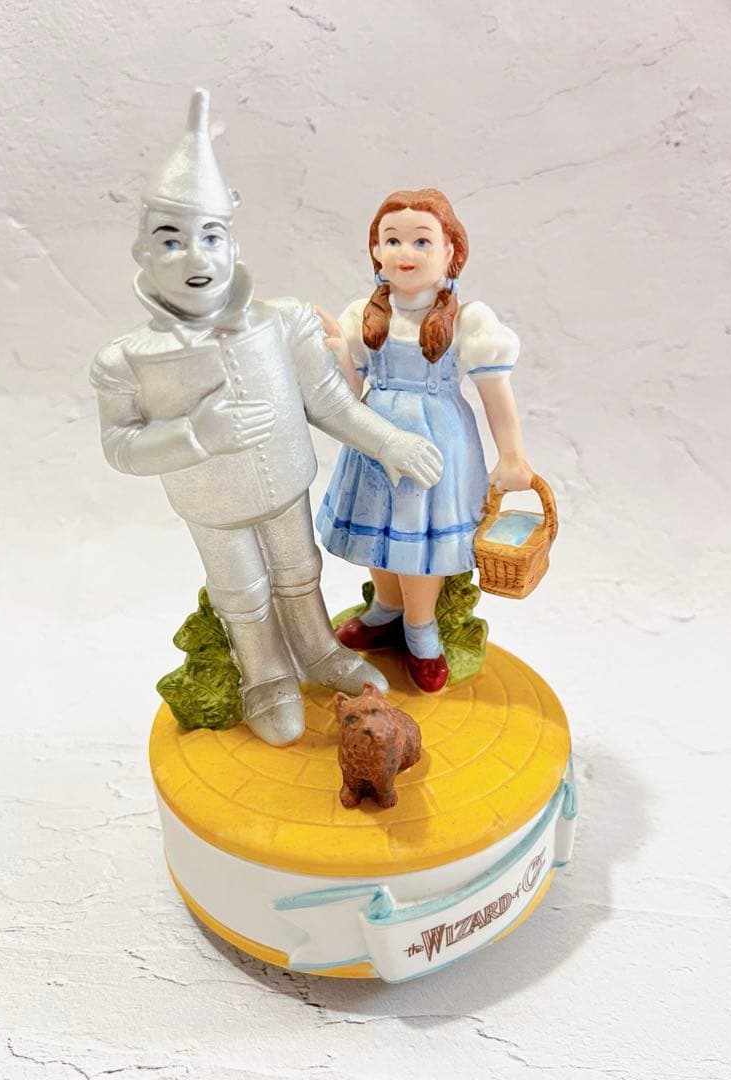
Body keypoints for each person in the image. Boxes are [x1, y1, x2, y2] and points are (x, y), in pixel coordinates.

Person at [90, 93, 443, 746]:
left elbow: (328, 401)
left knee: (298, 570)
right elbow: (120, 445)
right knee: (242, 591)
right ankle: (265, 676)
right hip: (210, 504)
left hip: (285, 484)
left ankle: (317, 651)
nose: (195, 259)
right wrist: (194, 434)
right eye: (171, 241)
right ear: (143, 252)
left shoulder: (282, 322)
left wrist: (388, 440)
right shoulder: (127, 360)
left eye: (210, 237)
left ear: (232, 244)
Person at [316, 189, 534, 693]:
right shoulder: (365, 316)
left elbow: (496, 394)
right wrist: (341, 357)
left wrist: (513, 455)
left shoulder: (466, 321)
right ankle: (386, 607)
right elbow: (347, 398)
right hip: (374, 439)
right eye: (392, 240)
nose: (405, 253)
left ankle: (420, 628)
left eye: (421, 241)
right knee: (379, 531)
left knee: (419, 543)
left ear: (450, 251)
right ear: (376, 251)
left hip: (436, 446)